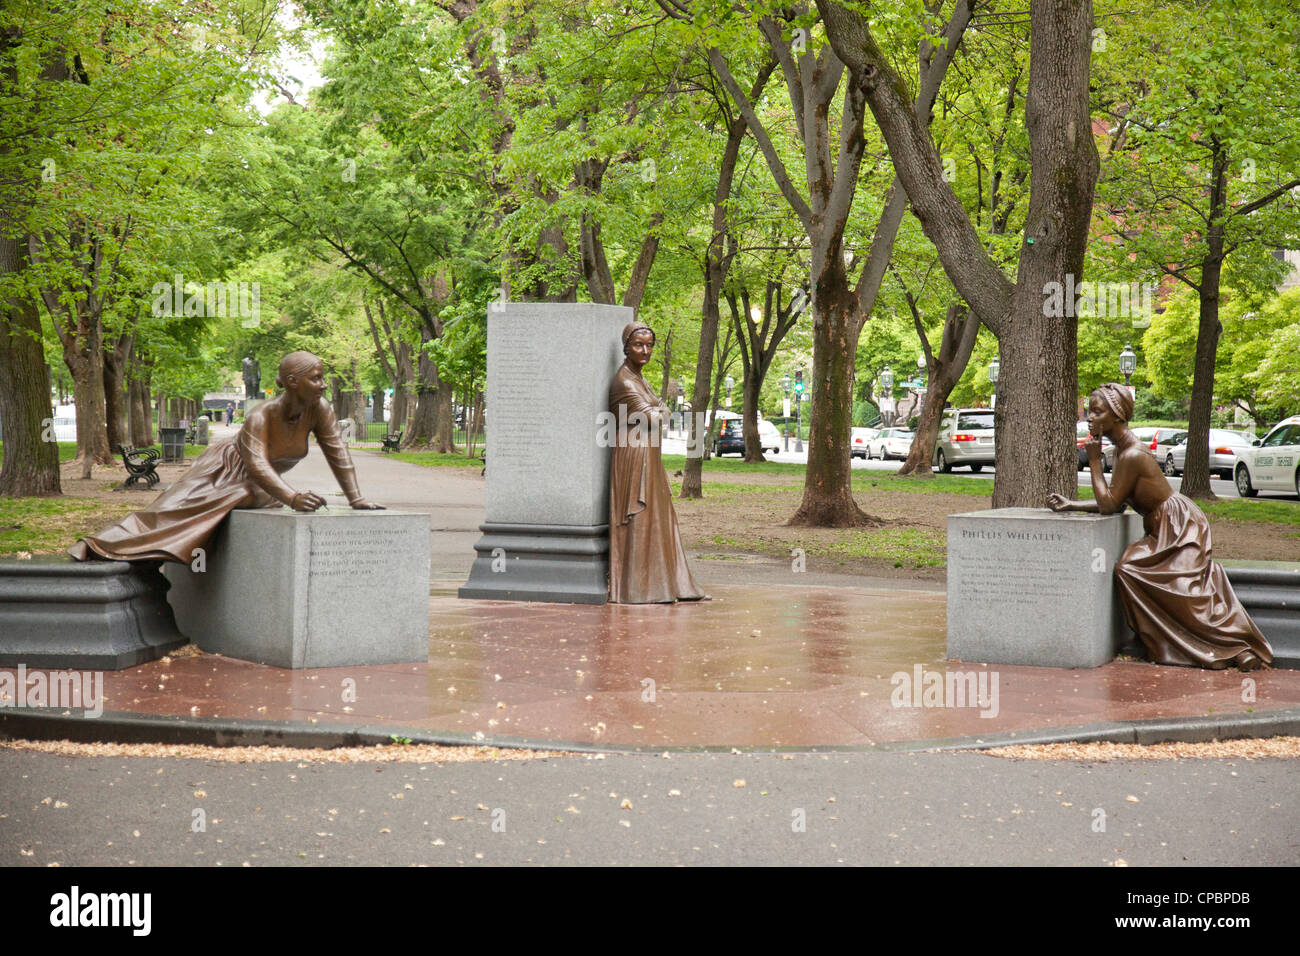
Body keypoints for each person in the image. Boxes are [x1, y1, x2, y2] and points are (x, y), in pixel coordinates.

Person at [70, 351, 383, 564]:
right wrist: (291, 496)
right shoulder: (261, 417)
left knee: (246, 493)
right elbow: (256, 464)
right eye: (316, 378)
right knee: (171, 510)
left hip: (258, 483)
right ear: (292, 381)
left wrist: (356, 498)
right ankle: (102, 544)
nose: (323, 384)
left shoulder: (320, 409)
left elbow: (338, 452)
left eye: (322, 378)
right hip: (222, 468)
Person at [1047, 383, 1271, 671]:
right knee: (1135, 572)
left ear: (1117, 416)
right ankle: (1169, 642)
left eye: (1097, 411)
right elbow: (1117, 501)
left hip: (1179, 527)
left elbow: (1109, 505)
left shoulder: (1131, 455)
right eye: (1090, 411)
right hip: (1162, 528)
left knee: (1173, 584)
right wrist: (1072, 505)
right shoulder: (1121, 451)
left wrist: (1093, 463)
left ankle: (1234, 646)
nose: (1090, 417)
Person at [607, 322, 707, 604]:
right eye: (638, 345)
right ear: (626, 347)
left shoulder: (640, 378)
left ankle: (660, 583)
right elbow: (655, 417)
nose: (645, 350)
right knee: (640, 517)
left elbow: (661, 414)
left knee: (657, 516)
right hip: (633, 455)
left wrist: (660, 410)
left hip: (647, 451)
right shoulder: (625, 380)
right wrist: (660, 410)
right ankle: (640, 587)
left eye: (649, 345)